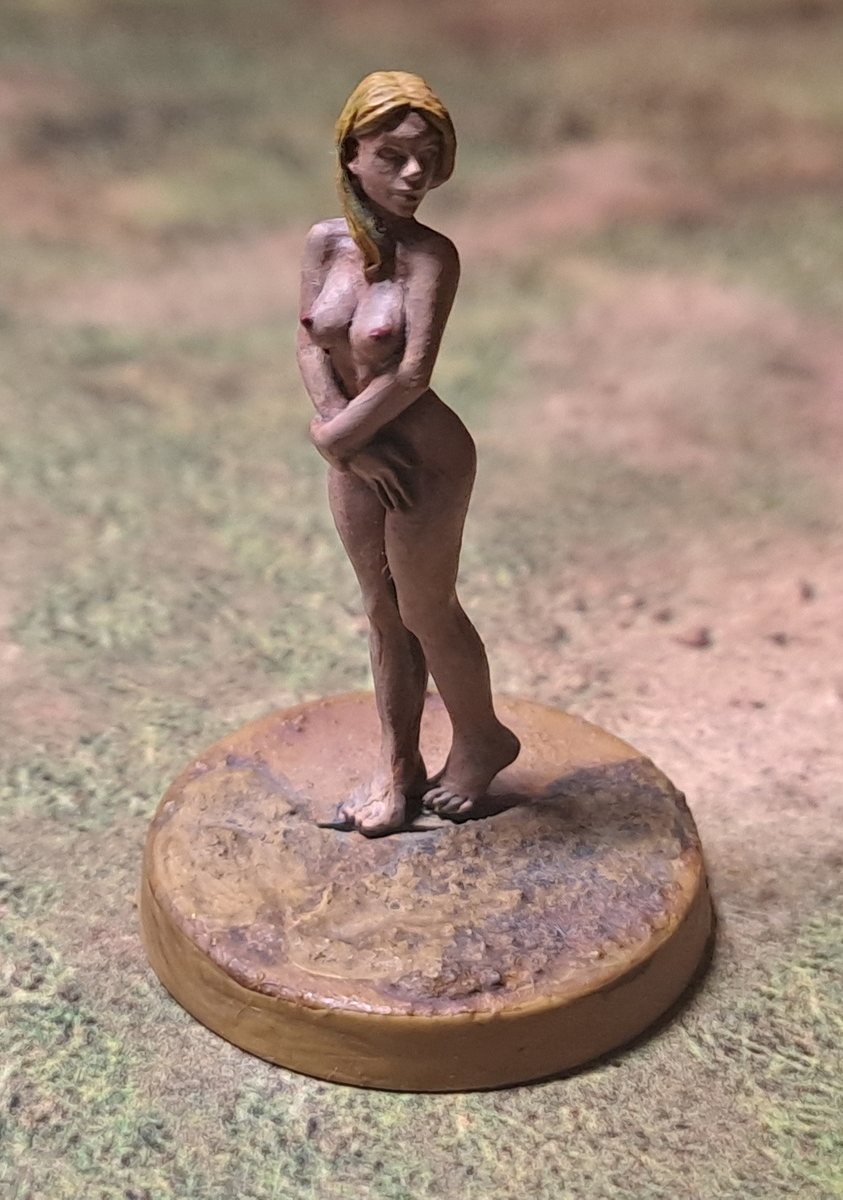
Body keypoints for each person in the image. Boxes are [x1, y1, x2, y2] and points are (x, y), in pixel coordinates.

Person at [298, 70, 520, 836]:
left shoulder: (432, 258)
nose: (414, 174)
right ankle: (398, 771)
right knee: (381, 612)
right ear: (351, 153)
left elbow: (410, 373)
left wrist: (333, 438)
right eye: (393, 156)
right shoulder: (325, 243)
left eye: (429, 156)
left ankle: (482, 739)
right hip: (360, 454)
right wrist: (343, 444)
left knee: (425, 607)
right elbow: (310, 343)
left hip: (425, 455)